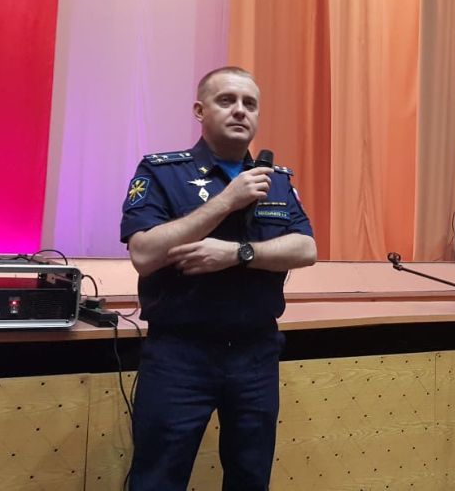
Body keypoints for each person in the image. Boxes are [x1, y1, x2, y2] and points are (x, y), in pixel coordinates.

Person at [120, 66, 317, 490]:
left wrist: (238, 254)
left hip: (255, 353)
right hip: (180, 354)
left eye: (250, 104)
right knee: (157, 479)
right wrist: (227, 200)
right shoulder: (161, 172)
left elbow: (306, 249)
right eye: (227, 100)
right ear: (200, 110)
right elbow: (144, 254)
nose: (240, 110)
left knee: (250, 478)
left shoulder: (276, 181)